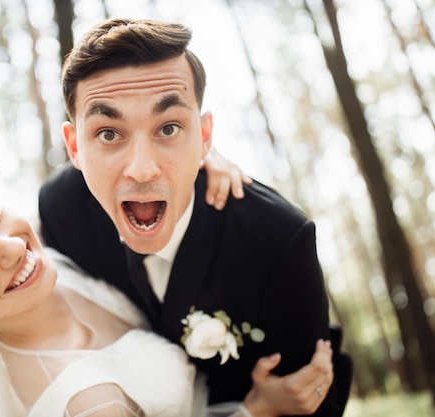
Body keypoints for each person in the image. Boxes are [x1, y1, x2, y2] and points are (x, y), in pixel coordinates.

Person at [0, 166, 333, 417]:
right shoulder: (88, 403)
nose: (9, 246)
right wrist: (257, 411)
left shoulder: (48, 257)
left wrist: (198, 160)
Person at [38, 18, 352, 417]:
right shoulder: (61, 212)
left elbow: (313, 401)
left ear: (204, 138)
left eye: (168, 127)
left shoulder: (276, 241)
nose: (141, 169)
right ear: (74, 147)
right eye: (109, 134)